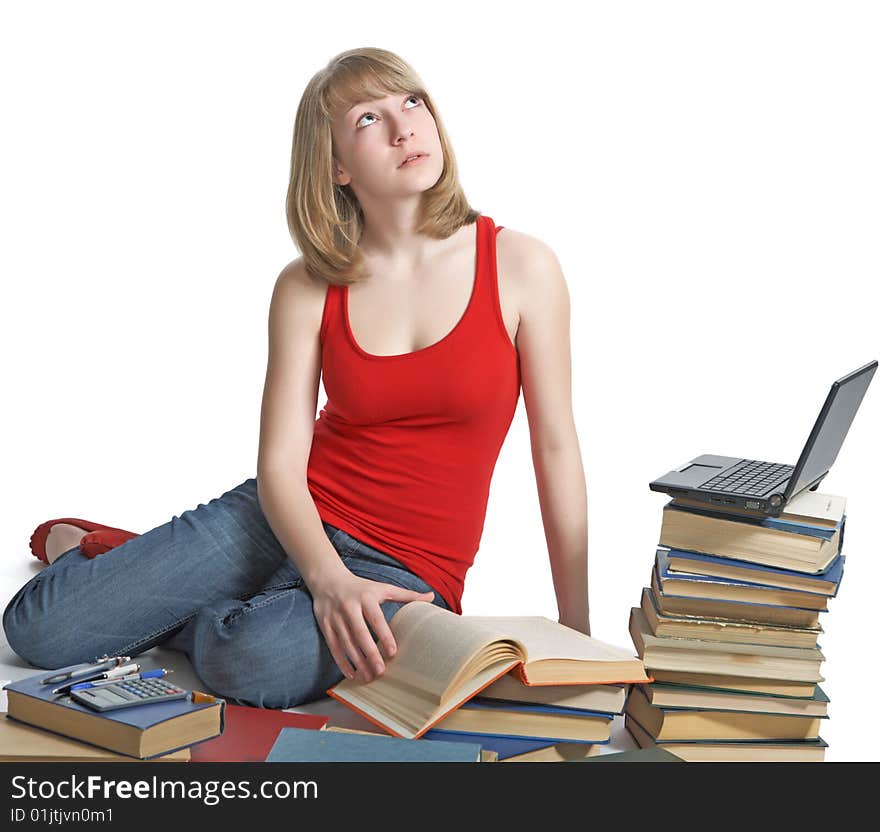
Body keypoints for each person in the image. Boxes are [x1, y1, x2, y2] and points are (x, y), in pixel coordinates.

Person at [3, 47, 590, 710]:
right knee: (38, 630)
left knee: (248, 663)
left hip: (405, 566)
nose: (405, 127)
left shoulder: (521, 266)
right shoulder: (308, 285)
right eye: (370, 118)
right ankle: (113, 558)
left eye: (413, 102)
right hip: (283, 515)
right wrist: (323, 576)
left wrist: (579, 630)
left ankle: (149, 579)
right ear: (337, 167)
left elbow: (555, 448)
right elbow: (281, 464)